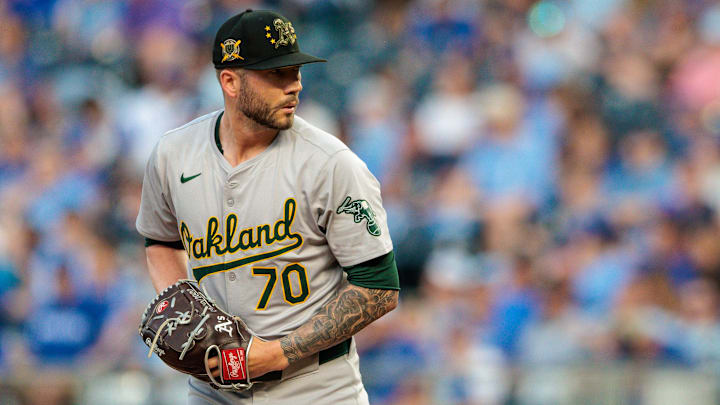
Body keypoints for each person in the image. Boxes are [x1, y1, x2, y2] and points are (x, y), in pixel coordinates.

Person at [135, 9, 400, 405]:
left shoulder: (330, 163)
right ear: (230, 81)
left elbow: (379, 289)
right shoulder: (173, 155)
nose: (293, 86)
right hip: (214, 391)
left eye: (295, 71)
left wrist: (275, 354)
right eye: (276, 74)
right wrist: (194, 312)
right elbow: (160, 241)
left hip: (317, 389)